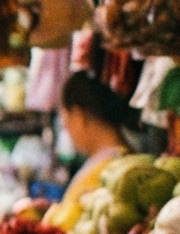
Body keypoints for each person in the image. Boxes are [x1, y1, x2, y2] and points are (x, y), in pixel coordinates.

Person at [57, 70, 138, 207]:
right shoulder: (134, 158)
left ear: (78, 116)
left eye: (64, 120)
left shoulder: (100, 172)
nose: (66, 129)